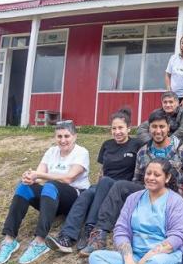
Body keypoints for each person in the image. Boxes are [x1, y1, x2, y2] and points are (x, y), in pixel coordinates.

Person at [80, 110, 183, 256]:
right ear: (149, 128)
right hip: (147, 192)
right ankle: (99, 235)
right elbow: (136, 179)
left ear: (168, 128)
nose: (158, 130)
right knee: (120, 186)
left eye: (162, 126)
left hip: (172, 195)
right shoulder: (143, 152)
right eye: (154, 127)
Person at [0, 120, 90, 264]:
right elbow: (38, 174)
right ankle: (9, 240)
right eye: (59, 136)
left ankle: (40, 241)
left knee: (51, 185)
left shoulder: (81, 152)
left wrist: (40, 176)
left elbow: (68, 178)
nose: (63, 140)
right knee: (24, 187)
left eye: (67, 136)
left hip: (73, 199)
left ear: (75, 136)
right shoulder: (51, 151)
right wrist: (29, 176)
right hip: (51, 198)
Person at [46, 109, 140, 254]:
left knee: (105, 182)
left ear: (129, 128)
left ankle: (90, 228)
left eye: (120, 128)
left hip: (121, 188)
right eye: (114, 128)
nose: (117, 131)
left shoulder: (136, 144)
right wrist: (95, 189)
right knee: (86, 194)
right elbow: (102, 171)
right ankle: (67, 238)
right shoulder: (107, 145)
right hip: (104, 184)